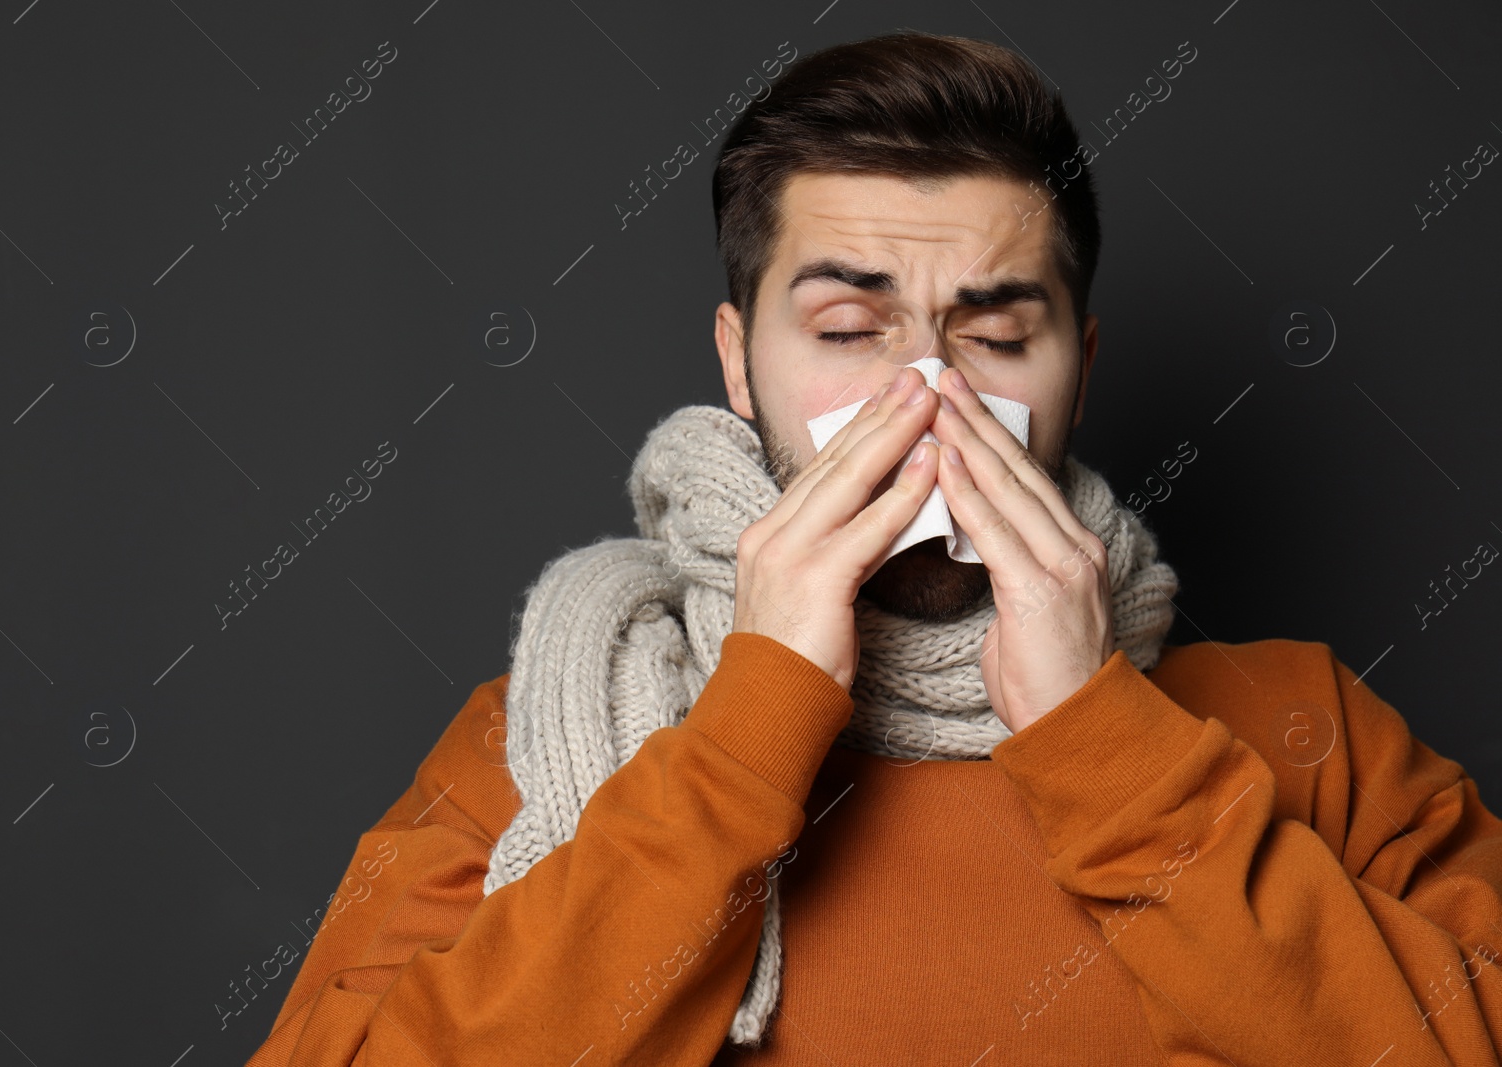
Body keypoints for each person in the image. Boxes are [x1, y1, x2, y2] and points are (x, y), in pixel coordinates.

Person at [244, 31, 1502, 1066]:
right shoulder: (545, 729)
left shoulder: (1304, 731)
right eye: (849, 327)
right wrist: (745, 732)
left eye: (997, 339)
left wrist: (1107, 752)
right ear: (739, 362)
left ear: (1081, 368)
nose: (925, 395)